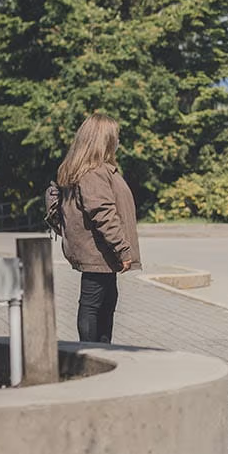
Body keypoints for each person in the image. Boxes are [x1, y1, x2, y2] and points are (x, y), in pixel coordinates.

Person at [50, 114, 140, 343]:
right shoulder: (94, 172)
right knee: (93, 303)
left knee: (105, 301)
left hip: (100, 251)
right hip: (98, 251)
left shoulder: (84, 169)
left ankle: (102, 352)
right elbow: (103, 214)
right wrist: (122, 249)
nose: (117, 141)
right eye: (115, 136)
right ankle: (92, 353)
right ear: (104, 140)